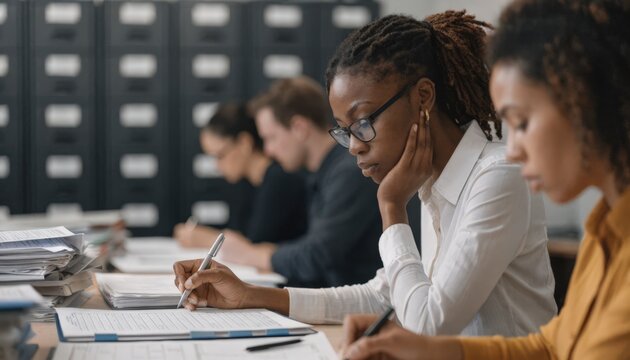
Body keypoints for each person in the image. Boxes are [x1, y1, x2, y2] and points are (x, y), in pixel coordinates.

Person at [174, 10, 557, 338]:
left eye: (362, 123)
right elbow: (382, 295)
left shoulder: (498, 178)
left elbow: (428, 321)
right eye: (344, 130)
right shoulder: (431, 181)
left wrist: (391, 207)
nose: (355, 145)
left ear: (423, 97)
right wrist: (250, 295)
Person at [340, 0, 630, 358]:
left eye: (522, 122)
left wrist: (391, 205)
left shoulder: (499, 176)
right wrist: (424, 349)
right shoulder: (604, 230)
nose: (516, 149)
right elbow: (550, 345)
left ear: (583, 103)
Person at [197, 77, 396, 287]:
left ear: (299, 128)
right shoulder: (322, 172)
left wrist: (252, 255)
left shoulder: (349, 172)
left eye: (271, 138)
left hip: (359, 306)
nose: (267, 150)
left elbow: (317, 255)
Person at [173, 102, 308, 246]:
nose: (217, 166)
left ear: (244, 143)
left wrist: (209, 240)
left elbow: (255, 247)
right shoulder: (244, 183)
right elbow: (240, 234)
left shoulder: (280, 179)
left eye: (220, 156)